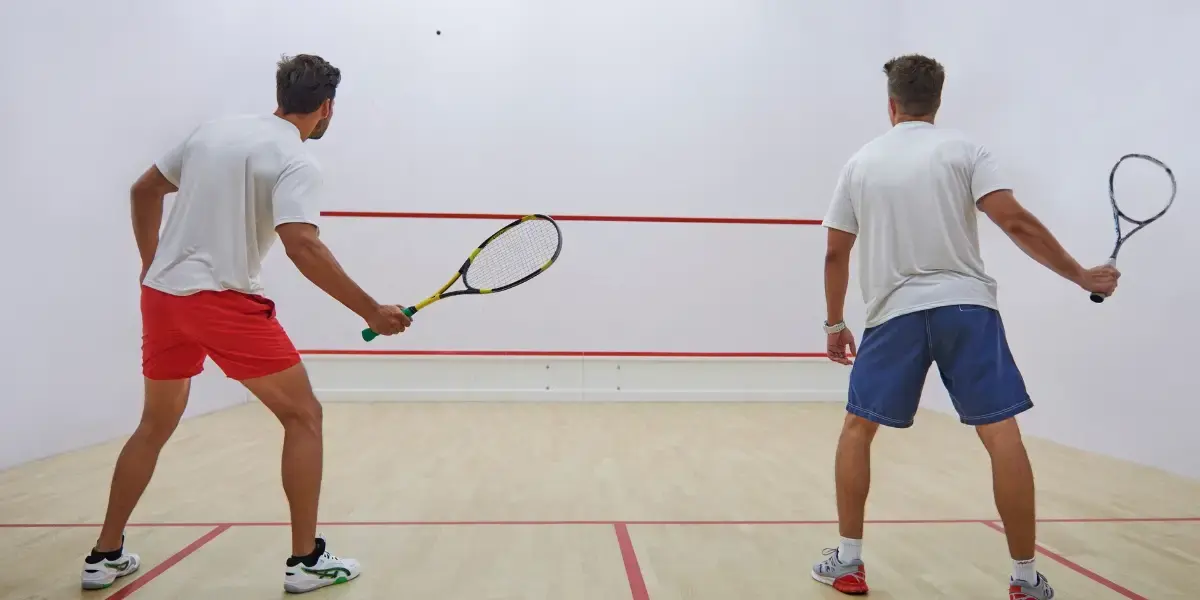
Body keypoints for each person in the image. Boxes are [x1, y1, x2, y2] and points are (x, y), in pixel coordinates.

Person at [80, 54, 411, 594]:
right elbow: (302, 244)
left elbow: (143, 192)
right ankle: (306, 562)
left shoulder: (213, 132)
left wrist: (151, 263)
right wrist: (371, 310)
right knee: (304, 417)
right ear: (327, 107)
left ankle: (104, 554)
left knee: (153, 425)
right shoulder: (296, 160)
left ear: (280, 93)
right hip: (222, 305)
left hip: (162, 299)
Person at [811, 54, 1119, 599]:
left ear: (891, 104)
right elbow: (1016, 221)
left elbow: (836, 254)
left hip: (893, 317)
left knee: (858, 431)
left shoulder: (860, 163)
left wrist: (836, 322)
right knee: (1002, 435)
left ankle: (849, 563)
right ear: (937, 101)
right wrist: (1079, 275)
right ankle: (1025, 578)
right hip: (967, 310)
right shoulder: (966, 151)